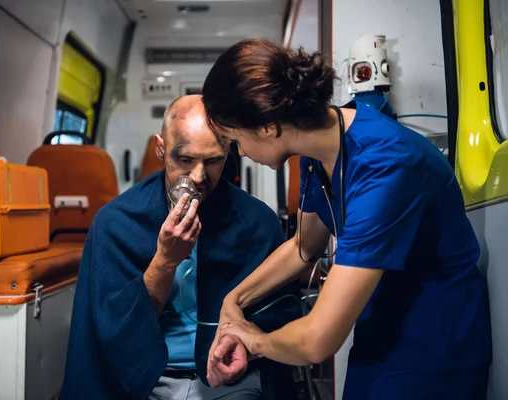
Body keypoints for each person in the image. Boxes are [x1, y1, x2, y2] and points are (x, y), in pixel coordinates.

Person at [201, 38, 492, 399]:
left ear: (267, 127)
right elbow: (305, 247)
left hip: (435, 348)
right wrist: (234, 301)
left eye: (235, 140)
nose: (240, 153)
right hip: (379, 335)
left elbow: (316, 342)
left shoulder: (385, 164)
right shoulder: (317, 152)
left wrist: (252, 339)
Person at [59, 94, 301, 399]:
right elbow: (112, 332)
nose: (198, 177)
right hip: (146, 377)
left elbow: (281, 313)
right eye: (184, 160)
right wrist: (165, 260)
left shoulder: (257, 221)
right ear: (161, 149)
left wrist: (245, 346)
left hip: (230, 381)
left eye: (213, 161)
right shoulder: (116, 222)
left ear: (229, 151)